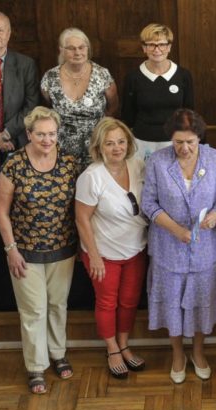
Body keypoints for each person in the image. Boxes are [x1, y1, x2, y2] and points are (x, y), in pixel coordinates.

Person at [141, 109, 216, 384]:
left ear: (200, 138)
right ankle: (178, 354)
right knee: (172, 305)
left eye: (190, 141)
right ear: (171, 139)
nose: (184, 148)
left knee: (202, 302)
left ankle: (198, 352)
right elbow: (149, 204)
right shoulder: (157, 161)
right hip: (168, 248)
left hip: (205, 248)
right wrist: (176, 229)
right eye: (178, 142)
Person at [0, 106, 78, 394]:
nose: (46, 139)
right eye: (40, 134)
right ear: (28, 134)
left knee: (57, 306)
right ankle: (35, 366)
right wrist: (10, 249)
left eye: (52, 134)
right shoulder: (14, 164)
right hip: (25, 252)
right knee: (34, 311)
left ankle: (58, 354)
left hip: (63, 249)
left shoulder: (69, 162)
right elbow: (2, 212)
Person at [75, 118, 147, 380]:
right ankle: (112, 349)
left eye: (121, 142)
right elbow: (81, 219)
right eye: (110, 143)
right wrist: (93, 256)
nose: (117, 148)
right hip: (103, 252)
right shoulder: (91, 177)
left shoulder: (138, 165)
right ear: (99, 147)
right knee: (107, 302)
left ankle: (124, 344)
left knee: (129, 301)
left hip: (136, 249)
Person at [41, 28, 119, 171]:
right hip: (61, 147)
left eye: (82, 47)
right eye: (71, 48)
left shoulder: (102, 74)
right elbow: (49, 106)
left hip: (96, 145)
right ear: (62, 50)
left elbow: (113, 107)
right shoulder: (50, 77)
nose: (77, 52)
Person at [121, 23, 194, 161]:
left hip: (174, 142)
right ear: (144, 48)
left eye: (161, 44)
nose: (157, 49)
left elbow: (189, 112)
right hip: (142, 143)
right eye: (151, 44)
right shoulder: (133, 77)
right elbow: (128, 115)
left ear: (169, 47)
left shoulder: (183, 75)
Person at [0, 11, 39, 163]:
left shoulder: (26, 64)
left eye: (0, 30)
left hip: (17, 139)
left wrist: (6, 133)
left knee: (18, 185)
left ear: (9, 33)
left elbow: (31, 104)